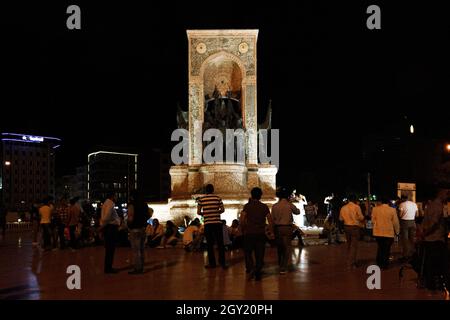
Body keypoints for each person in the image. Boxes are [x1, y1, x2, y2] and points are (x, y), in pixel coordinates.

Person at [240, 187, 272, 280]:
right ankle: (258, 272)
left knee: (248, 252)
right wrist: (270, 231)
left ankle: (252, 268)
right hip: (260, 233)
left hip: (249, 233)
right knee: (260, 254)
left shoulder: (247, 206)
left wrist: (243, 229)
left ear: (251, 195)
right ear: (260, 196)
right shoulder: (264, 207)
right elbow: (270, 221)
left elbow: (242, 220)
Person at [421, 187, 449, 291]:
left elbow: (425, 222)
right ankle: (437, 285)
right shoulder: (438, 206)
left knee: (430, 263)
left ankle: (431, 284)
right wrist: (425, 234)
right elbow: (434, 223)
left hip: (429, 240)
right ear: (441, 193)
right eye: (446, 194)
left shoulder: (430, 205)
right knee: (440, 263)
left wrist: (423, 234)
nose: (448, 196)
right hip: (436, 239)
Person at [197, 184, 227, 269]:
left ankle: (212, 263)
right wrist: (216, 213)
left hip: (208, 224)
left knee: (209, 244)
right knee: (220, 243)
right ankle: (222, 263)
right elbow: (222, 210)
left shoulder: (201, 200)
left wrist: (205, 213)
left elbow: (198, 212)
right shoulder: (218, 198)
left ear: (206, 190)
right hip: (217, 223)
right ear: (213, 190)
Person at [271, 187, 300, 274]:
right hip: (287, 227)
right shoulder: (289, 204)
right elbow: (297, 212)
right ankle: (284, 267)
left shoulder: (275, 206)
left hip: (278, 228)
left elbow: (272, 219)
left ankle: (280, 263)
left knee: (280, 247)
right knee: (287, 247)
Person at [371, 197, 400, 269]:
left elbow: (372, 221)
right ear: (388, 202)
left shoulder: (375, 209)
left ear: (381, 202)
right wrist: (397, 231)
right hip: (388, 232)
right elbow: (395, 222)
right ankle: (385, 264)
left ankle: (379, 262)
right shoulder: (392, 210)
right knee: (387, 249)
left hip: (378, 232)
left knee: (380, 247)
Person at [127, 190, 151, 274]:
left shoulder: (132, 204)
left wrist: (128, 225)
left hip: (134, 229)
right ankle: (141, 267)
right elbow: (149, 214)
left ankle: (137, 269)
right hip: (142, 229)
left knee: (136, 250)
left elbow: (131, 217)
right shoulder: (144, 204)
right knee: (141, 249)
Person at [339, 194, 365, 269]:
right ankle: (351, 263)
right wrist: (363, 218)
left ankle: (349, 260)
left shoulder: (343, 207)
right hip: (354, 227)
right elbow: (360, 217)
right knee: (354, 246)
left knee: (349, 245)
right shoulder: (356, 207)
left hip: (346, 227)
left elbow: (340, 219)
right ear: (354, 199)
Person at [101, 192, 121, 274]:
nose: (117, 198)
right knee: (110, 249)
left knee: (109, 249)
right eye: (116, 196)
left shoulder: (106, 203)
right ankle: (108, 268)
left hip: (109, 228)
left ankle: (108, 267)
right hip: (111, 228)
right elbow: (106, 217)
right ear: (113, 196)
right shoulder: (110, 204)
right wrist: (113, 221)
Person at [398, 195, 418, 261]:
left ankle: (405, 255)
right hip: (412, 222)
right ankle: (413, 253)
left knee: (405, 240)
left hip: (404, 222)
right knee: (412, 239)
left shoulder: (402, 204)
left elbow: (400, 215)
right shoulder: (414, 204)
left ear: (403, 198)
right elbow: (416, 214)